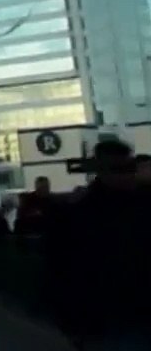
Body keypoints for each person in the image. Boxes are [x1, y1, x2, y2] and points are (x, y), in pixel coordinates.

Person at [47, 139, 150, 349]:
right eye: (119, 169)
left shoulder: (80, 209)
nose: (127, 175)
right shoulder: (79, 213)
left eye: (129, 169)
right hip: (107, 317)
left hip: (123, 313)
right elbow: (63, 269)